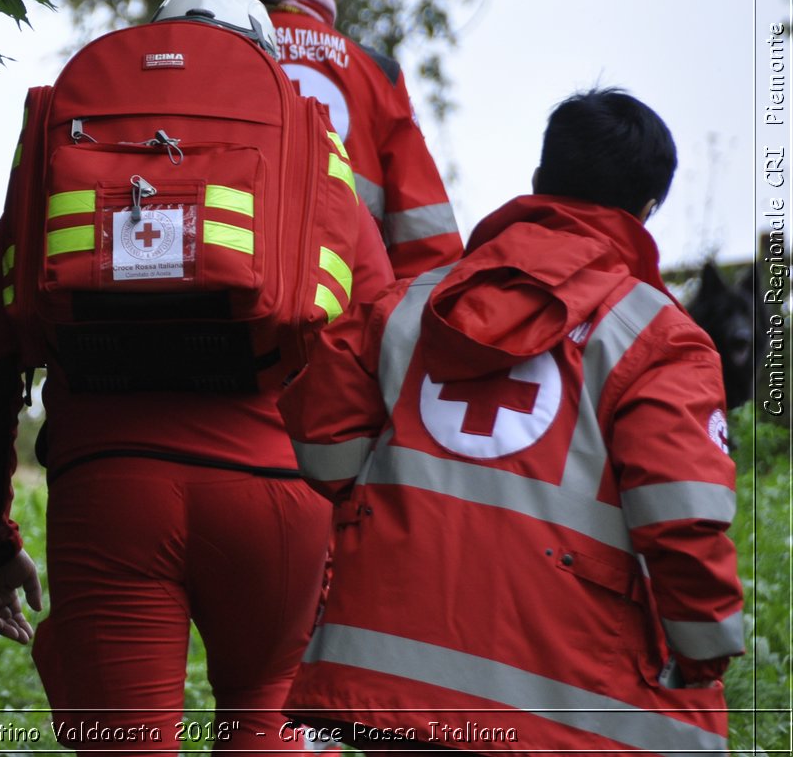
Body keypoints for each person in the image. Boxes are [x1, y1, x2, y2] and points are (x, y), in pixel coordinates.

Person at [0, 0, 396, 753]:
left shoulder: (67, 153)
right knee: (265, 713)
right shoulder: (310, 154)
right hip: (278, 501)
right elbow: (379, 352)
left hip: (112, 497)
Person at [279, 88, 743, 755]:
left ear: (539, 181)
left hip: (395, 681)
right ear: (646, 211)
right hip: (565, 703)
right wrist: (704, 655)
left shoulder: (404, 306)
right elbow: (682, 520)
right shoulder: (658, 336)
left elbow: (323, 448)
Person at [216, 0, 462, 278]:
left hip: (221, 322)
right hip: (346, 327)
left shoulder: (195, 66)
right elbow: (430, 248)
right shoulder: (376, 75)